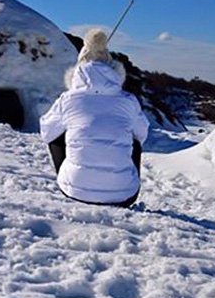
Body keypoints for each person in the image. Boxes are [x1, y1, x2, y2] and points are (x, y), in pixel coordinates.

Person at [40, 28, 149, 207]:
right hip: (124, 196)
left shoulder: (68, 100)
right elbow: (141, 135)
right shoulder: (128, 101)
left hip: (75, 192)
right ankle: (118, 184)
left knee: (56, 135)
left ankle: (76, 181)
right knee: (134, 139)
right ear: (113, 70)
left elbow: (46, 133)